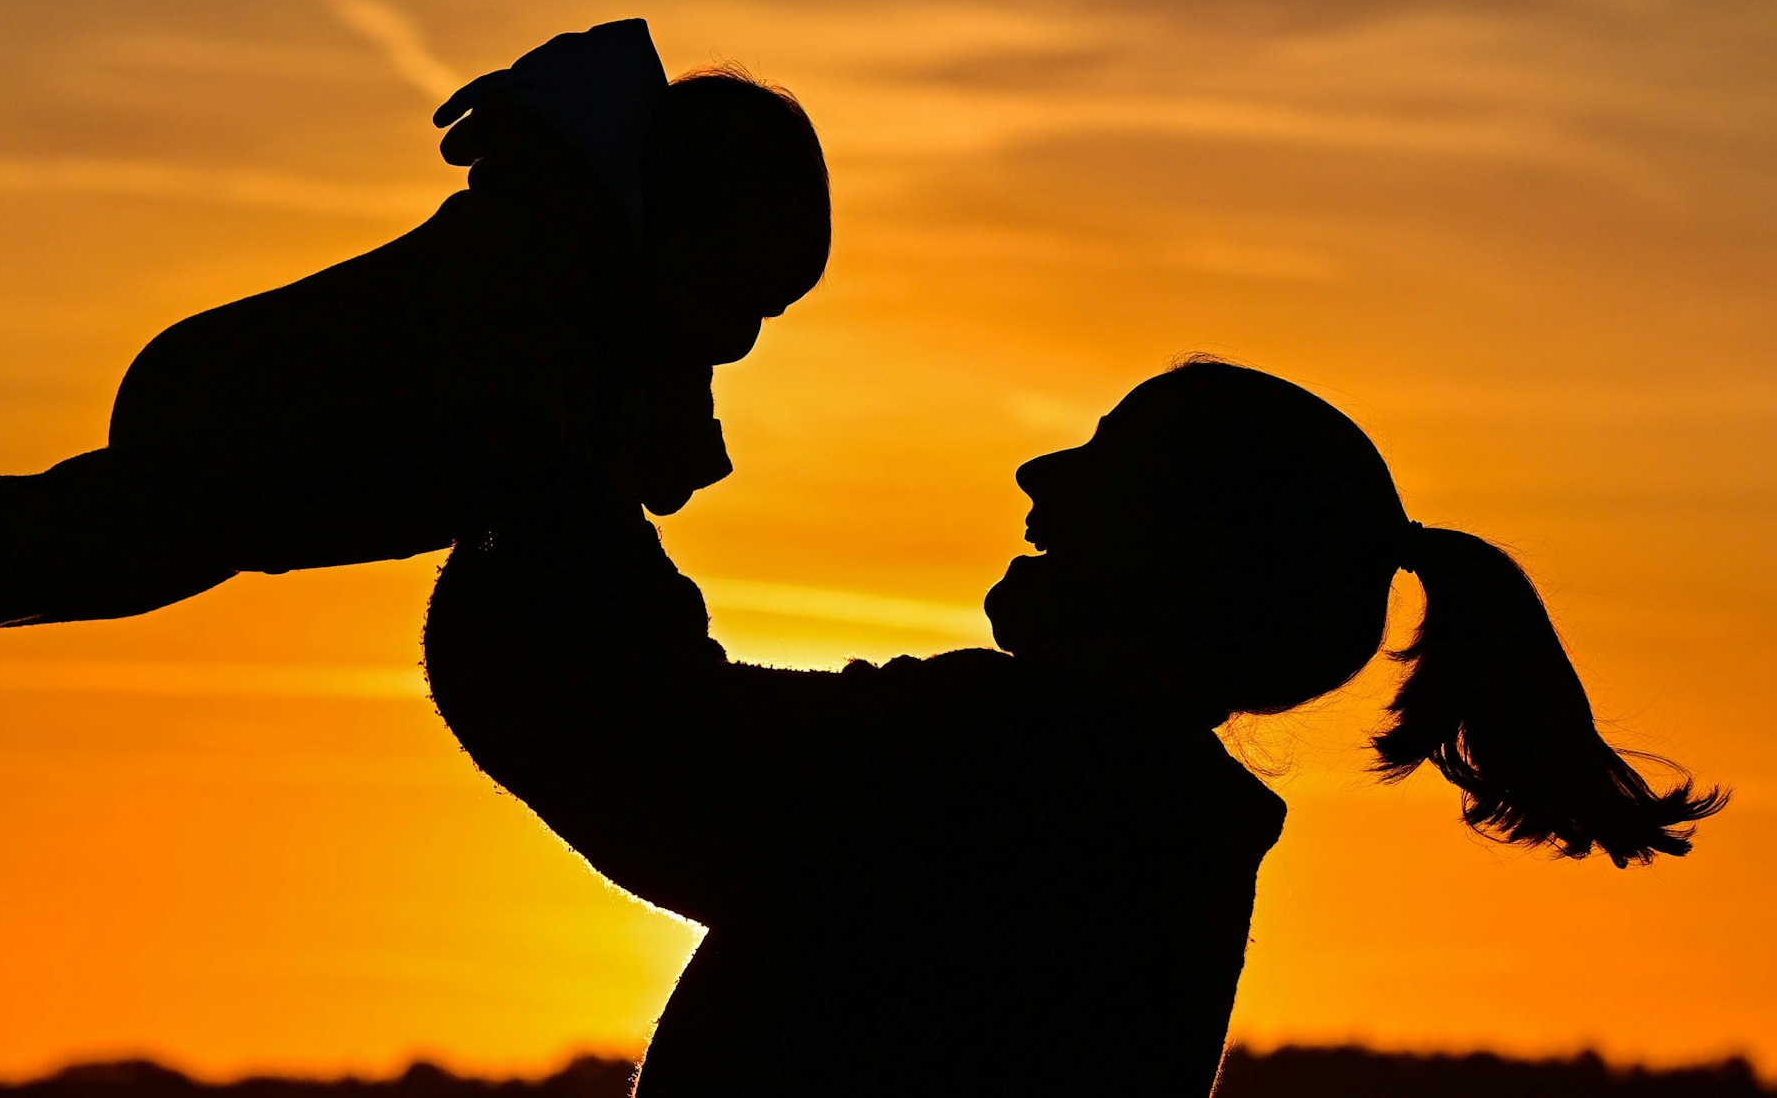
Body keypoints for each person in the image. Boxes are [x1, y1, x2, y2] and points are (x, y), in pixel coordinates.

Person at [424, 359, 1725, 1096]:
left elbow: (634, 740)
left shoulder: (1019, 774)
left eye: (1109, 460)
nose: (1040, 478)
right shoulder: (1141, 816)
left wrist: (565, 471)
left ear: (1192, 557)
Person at [0, 19, 830, 654]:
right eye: (740, 300)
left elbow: (625, 458)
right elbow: (535, 451)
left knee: (145, 556)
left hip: (290, 451)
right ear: (682, 231)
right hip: (248, 399)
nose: (735, 342)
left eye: (764, 321)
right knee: (140, 542)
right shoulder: (536, 257)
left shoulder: (614, 300)